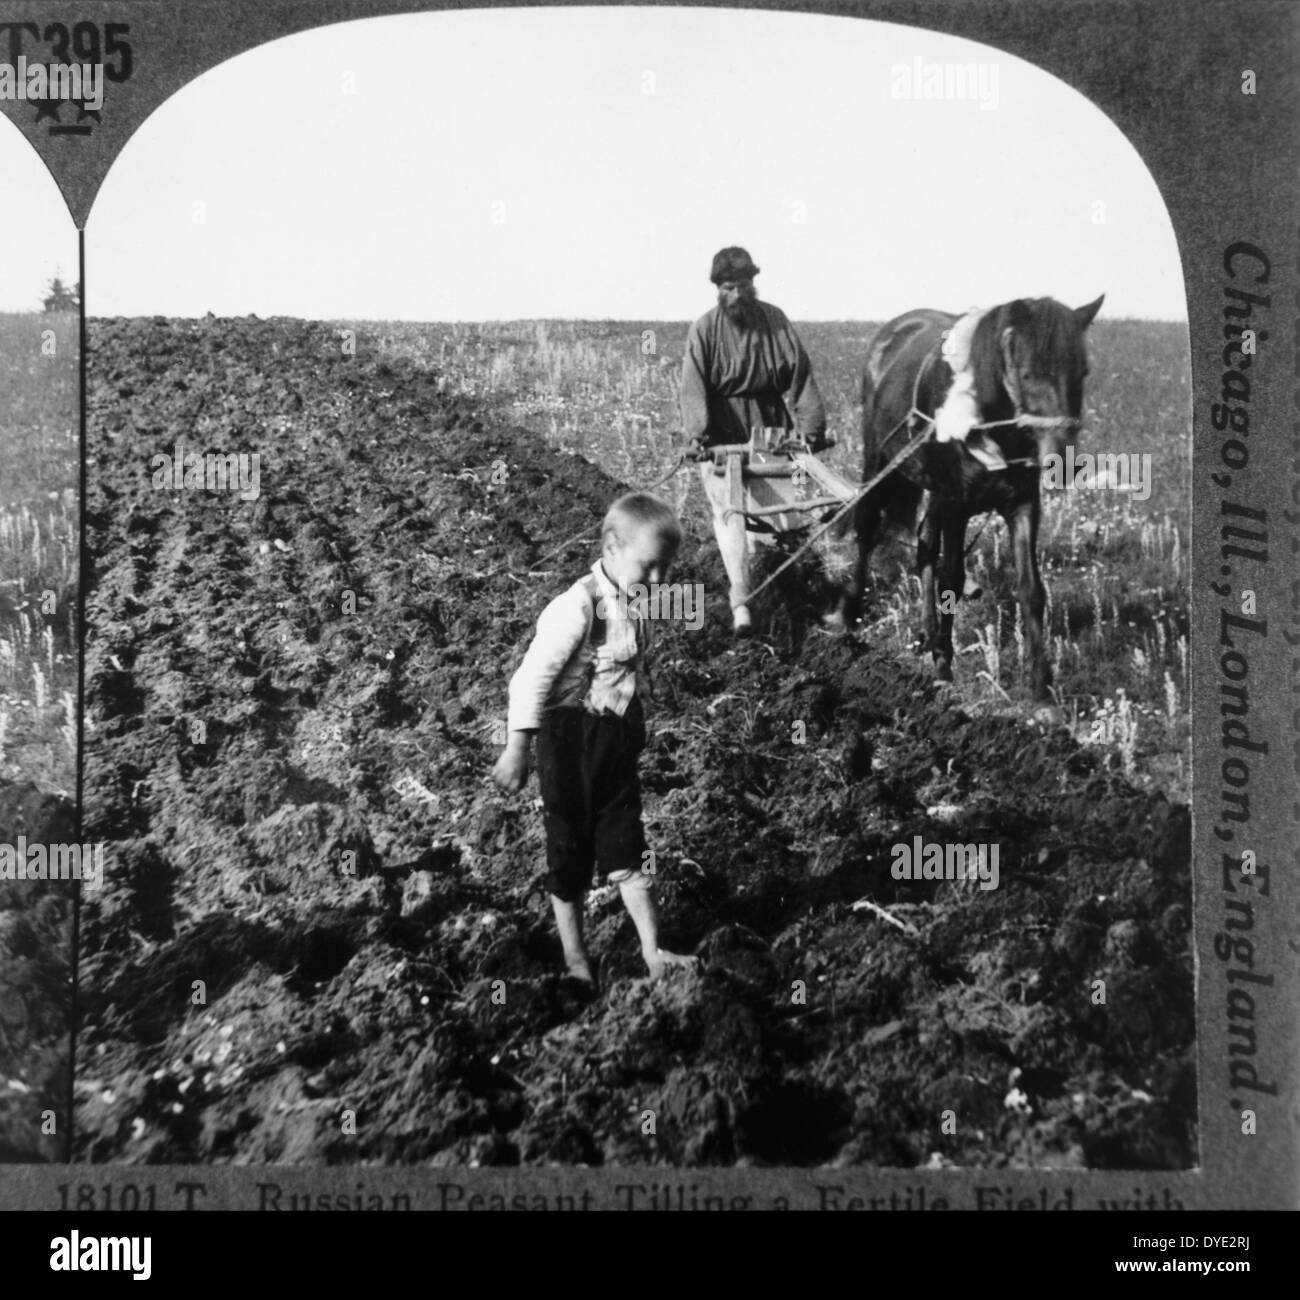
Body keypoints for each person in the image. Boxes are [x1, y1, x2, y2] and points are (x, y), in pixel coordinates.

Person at [492, 492, 696, 987]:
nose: (658, 582)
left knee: (627, 845)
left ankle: (653, 949)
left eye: (665, 570)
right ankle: (576, 957)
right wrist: (517, 749)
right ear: (610, 549)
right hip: (569, 746)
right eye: (649, 568)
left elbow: (625, 660)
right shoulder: (576, 607)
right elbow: (530, 681)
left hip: (615, 746)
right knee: (569, 850)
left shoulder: (634, 598)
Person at [680, 246, 828, 634]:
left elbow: (800, 376)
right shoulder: (705, 329)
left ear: (753, 284)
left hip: (770, 427)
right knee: (730, 510)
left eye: (745, 285)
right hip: (723, 430)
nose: (738, 294)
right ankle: (741, 595)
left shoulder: (775, 322)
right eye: (730, 287)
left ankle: (799, 592)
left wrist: (810, 429)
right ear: (718, 289)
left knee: (787, 507)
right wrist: (699, 436)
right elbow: (693, 388)